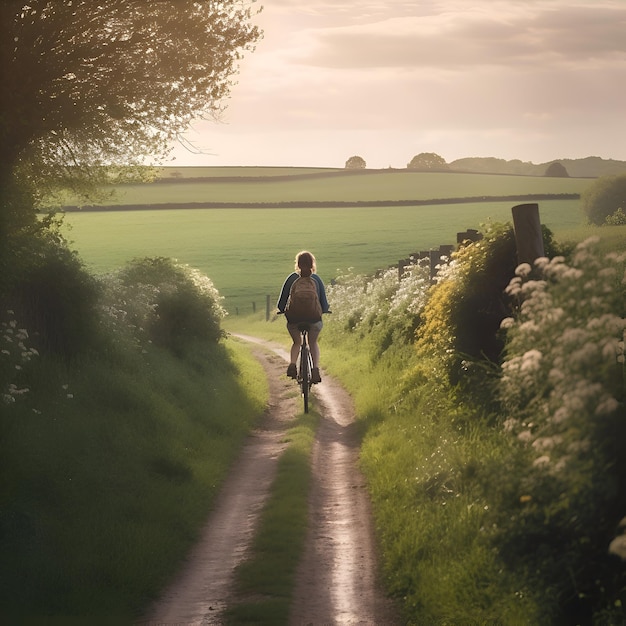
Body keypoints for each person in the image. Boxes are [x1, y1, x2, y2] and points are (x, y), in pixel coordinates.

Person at [276, 250, 330, 384]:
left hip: (294, 320)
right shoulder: (316, 280)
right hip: (313, 320)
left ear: (298, 264)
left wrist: (282, 310)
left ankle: (293, 364)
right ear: (312, 264)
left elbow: (281, 303)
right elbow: (324, 303)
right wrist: (324, 310)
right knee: (312, 343)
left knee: (297, 342)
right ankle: (315, 369)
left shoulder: (291, 279)